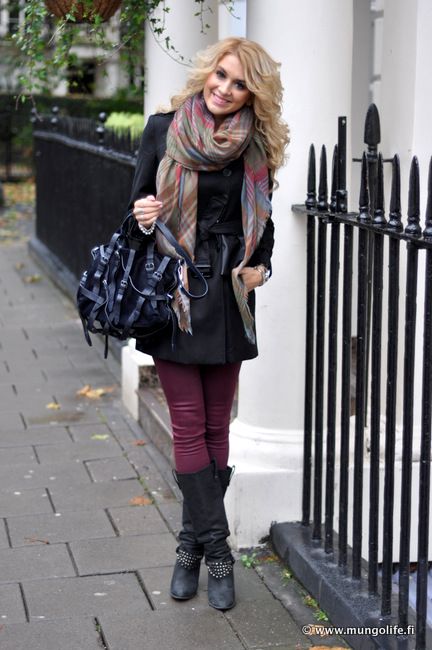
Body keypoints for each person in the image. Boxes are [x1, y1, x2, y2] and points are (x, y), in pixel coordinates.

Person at [128, 37, 289, 611]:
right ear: (207, 72)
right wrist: (144, 215)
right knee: (189, 422)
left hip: (227, 297)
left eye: (239, 82)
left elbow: (263, 229)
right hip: (176, 292)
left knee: (219, 424)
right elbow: (136, 210)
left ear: (254, 93)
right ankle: (217, 551)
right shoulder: (163, 129)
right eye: (220, 75)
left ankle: (188, 546)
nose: (224, 88)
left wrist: (260, 271)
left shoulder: (257, 146)